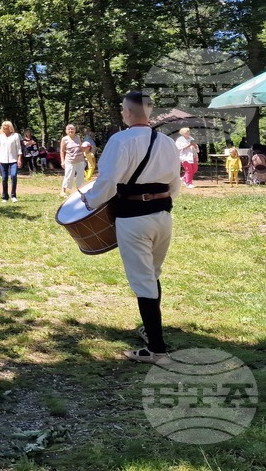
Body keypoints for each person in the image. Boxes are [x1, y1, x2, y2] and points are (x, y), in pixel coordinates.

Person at [79, 91, 180, 364]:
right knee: (153, 274)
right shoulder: (168, 142)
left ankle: (156, 350)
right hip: (162, 216)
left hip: (133, 218)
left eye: (123, 109)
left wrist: (89, 202)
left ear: (127, 112)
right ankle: (150, 329)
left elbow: (109, 180)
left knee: (143, 280)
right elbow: (175, 183)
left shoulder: (120, 140)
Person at [0, 121, 23, 203]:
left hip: (13, 160)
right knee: (4, 178)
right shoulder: (0, 137)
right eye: (3, 126)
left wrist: (19, 158)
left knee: (13, 176)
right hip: (3, 160)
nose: (4, 127)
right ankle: (5, 196)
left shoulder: (15, 136)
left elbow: (19, 149)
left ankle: (13, 195)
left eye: (6, 126)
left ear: (10, 127)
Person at [59, 125, 85, 198]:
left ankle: (80, 190)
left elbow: (80, 147)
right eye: (69, 129)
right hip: (70, 160)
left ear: (75, 130)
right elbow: (61, 151)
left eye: (72, 129)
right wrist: (62, 161)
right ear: (66, 131)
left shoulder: (78, 137)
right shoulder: (64, 139)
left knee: (80, 176)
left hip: (80, 159)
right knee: (68, 176)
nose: (71, 131)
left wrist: (85, 154)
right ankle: (63, 191)